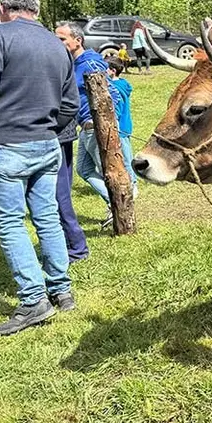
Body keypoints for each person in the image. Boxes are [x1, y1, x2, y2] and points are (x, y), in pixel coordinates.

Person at [0, 0, 79, 335]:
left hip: (8, 145)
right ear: (34, 8)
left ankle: (33, 300)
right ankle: (61, 289)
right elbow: (70, 104)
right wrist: (45, 124)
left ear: (3, 6)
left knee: (11, 222)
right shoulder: (56, 42)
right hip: (46, 145)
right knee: (46, 217)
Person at [54, 21, 124, 227]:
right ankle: (114, 204)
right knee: (84, 169)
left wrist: (104, 122)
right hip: (84, 127)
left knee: (108, 172)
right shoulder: (73, 65)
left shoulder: (89, 63)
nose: (58, 43)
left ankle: (118, 208)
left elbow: (114, 94)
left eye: (62, 39)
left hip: (96, 127)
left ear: (78, 41)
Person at [56, 116, 88, 264]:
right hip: (57, 132)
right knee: (61, 194)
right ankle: (69, 244)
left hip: (54, 134)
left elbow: (71, 101)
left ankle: (76, 246)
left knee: (59, 195)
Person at [105, 56, 138, 194]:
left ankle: (133, 184)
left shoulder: (115, 88)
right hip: (126, 126)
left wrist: (114, 125)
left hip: (120, 128)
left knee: (126, 157)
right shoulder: (124, 84)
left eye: (105, 69)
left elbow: (116, 109)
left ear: (112, 71)